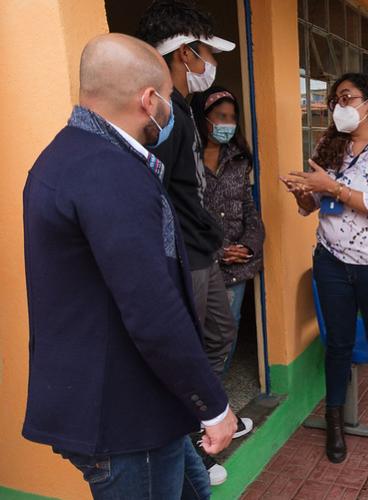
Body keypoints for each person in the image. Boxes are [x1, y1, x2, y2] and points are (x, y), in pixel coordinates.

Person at [21, 34, 238, 500]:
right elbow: (152, 309)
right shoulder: (110, 173)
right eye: (167, 100)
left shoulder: (66, 156)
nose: (171, 113)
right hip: (126, 417)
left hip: (142, 405)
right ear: (148, 100)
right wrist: (214, 406)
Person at [136, 1, 249, 484]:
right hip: (186, 253)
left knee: (219, 335)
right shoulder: (165, 116)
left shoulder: (181, 109)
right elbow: (161, 193)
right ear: (185, 53)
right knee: (192, 345)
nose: (209, 64)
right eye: (206, 52)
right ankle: (197, 439)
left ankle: (209, 416)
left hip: (202, 249)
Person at [280, 73, 368, 464]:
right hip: (331, 261)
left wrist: (333, 187)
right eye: (335, 99)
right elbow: (312, 208)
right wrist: (305, 195)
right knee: (337, 344)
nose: (339, 106)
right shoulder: (328, 144)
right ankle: (334, 421)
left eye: (346, 97)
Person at [190, 86, 264, 334]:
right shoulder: (188, 159)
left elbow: (248, 209)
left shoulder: (239, 158)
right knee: (198, 332)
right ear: (203, 118)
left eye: (232, 118)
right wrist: (219, 251)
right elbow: (183, 216)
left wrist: (248, 246)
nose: (228, 123)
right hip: (201, 262)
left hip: (237, 266)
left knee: (226, 332)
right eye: (222, 116)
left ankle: (218, 375)